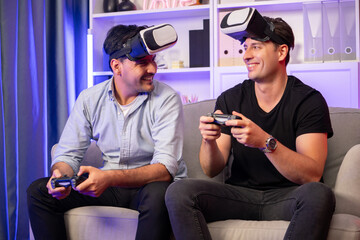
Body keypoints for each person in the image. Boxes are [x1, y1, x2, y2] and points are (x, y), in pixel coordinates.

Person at [165, 8, 335, 240]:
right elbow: (211, 168)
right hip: (239, 196)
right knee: (179, 191)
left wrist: (265, 143)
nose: (245, 55)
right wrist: (209, 141)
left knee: (319, 194)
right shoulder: (231, 98)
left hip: (288, 197)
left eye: (256, 47)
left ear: (281, 52)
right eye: (244, 48)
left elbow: (312, 174)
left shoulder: (309, 101)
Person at [27, 24, 186, 240]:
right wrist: (60, 176)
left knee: (160, 193)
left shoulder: (167, 99)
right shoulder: (89, 99)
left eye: (153, 61)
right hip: (111, 187)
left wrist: (108, 178)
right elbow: (68, 154)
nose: (153, 70)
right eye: (142, 63)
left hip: (149, 188)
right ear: (116, 66)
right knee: (38, 192)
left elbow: (165, 170)